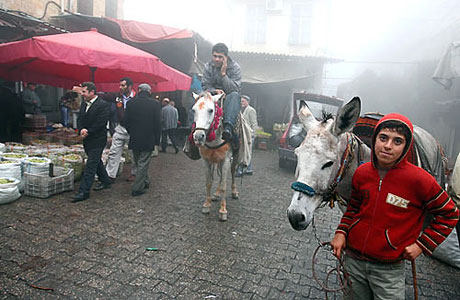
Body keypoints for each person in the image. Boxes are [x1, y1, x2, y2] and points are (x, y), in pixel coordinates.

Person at [330, 113, 459, 300]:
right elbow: (354, 208)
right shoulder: (362, 173)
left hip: (388, 270)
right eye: (383, 138)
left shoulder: (420, 180)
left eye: (397, 141)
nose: (388, 146)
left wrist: (422, 245)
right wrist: (341, 232)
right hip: (353, 262)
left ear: (406, 146)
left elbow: (449, 214)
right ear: (375, 139)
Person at [72, 82, 112, 202]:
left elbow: (101, 122)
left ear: (92, 92)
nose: (82, 94)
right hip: (87, 139)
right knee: (96, 162)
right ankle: (106, 181)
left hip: (98, 139)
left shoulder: (103, 105)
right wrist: (81, 129)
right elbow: (80, 118)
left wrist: (88, 130)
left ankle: (83, 192)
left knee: (90, 165)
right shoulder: (84, 103)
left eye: (84, 92)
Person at [124, 84, 161, 196]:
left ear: (139, 90)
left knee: (138, 161)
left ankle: (145, 181)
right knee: (143, 163)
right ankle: (137, 188)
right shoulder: (155, 104)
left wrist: (131, 132)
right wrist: (157, 140)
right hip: (148, 138)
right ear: (150, 92)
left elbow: (126, 121)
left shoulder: (131, 103)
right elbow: (157, 123)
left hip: (134, 138)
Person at [202, 43, 242, 143]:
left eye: (220, 57)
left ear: (226, 57)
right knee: (198, 98)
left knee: (235, 96)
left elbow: (235, 89)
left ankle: (228, 128)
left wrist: (223, 75)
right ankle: (192, 132)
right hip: (211, 96)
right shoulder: (208, 66)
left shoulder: (235, 68)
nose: (216, 59)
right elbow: (205, 85)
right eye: (215, 56)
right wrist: (215, 91)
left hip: (229, 98)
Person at [100, 77, 137, 182]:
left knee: (133, 153)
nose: (120, 87)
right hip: (121, 127)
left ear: (130, 86)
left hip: (133, 129)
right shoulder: (118, 96)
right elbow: (104, 96)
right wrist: (92, 93)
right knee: (114, 151)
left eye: (123, 85)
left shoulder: (137, 98)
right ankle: (110, 175)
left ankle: (134, 173)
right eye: (120, 85)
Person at [237, 95, 257, 176]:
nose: (241, 103)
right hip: (241, 134)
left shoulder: (251, 110)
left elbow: (254, 123)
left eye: (243, 101)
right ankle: (249, 169)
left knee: (246, 152)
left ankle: (240, 170)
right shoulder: (239, 110)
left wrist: (253, 134)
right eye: (240, 101)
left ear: (247, 102)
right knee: (244, 152)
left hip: (248, 134)